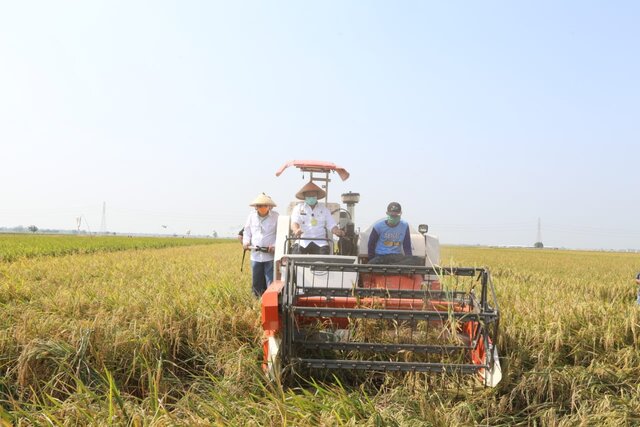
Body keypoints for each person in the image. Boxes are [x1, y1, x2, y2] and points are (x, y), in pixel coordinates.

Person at [290, 181, 345, 254]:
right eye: (308, 195)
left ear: (317, 195)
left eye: (313, 195)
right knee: (295, 257)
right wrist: (296, 230)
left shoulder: (324, 209)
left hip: (320, 242)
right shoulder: (298, 208)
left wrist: (337, 231)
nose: (311, 197)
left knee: (323, 260)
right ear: (304, 196)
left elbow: (331, 225)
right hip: (302, 241)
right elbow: (294, 222)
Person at [242, 193, 279, 297]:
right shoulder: (251, 217)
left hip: (270, 255)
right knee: (256, 281)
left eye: (265, 205)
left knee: (270, 281)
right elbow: (247, 231)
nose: (263, 208)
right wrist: (246, 242)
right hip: (255, 255)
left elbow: (280, 233)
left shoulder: (276, 217)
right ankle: (257, 301)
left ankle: (271, 301)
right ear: (256, 207)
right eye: (260, 206)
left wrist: (274, 245)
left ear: (269, 206)